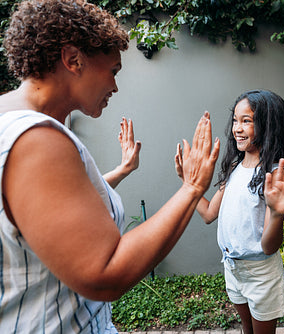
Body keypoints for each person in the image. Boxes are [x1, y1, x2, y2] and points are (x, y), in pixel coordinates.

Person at [0, 0, 219, 333]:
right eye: (113, 71)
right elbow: (104, 275)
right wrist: (192, 188)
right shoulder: (35, 140)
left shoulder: (9, 118)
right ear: (73, 60)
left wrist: (122, 170)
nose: (115, 86)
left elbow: (48, 216)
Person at [175, 89, 284, 334]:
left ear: (269, 126)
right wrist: (188, 184)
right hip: (232, 268)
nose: (237, 128)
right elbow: (208, 214)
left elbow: (269, 246)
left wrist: (277, 215)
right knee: (247, 329)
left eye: (246, 121)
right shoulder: (235, 165)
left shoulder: (274, 174)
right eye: (235, 120)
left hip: (260, 274)